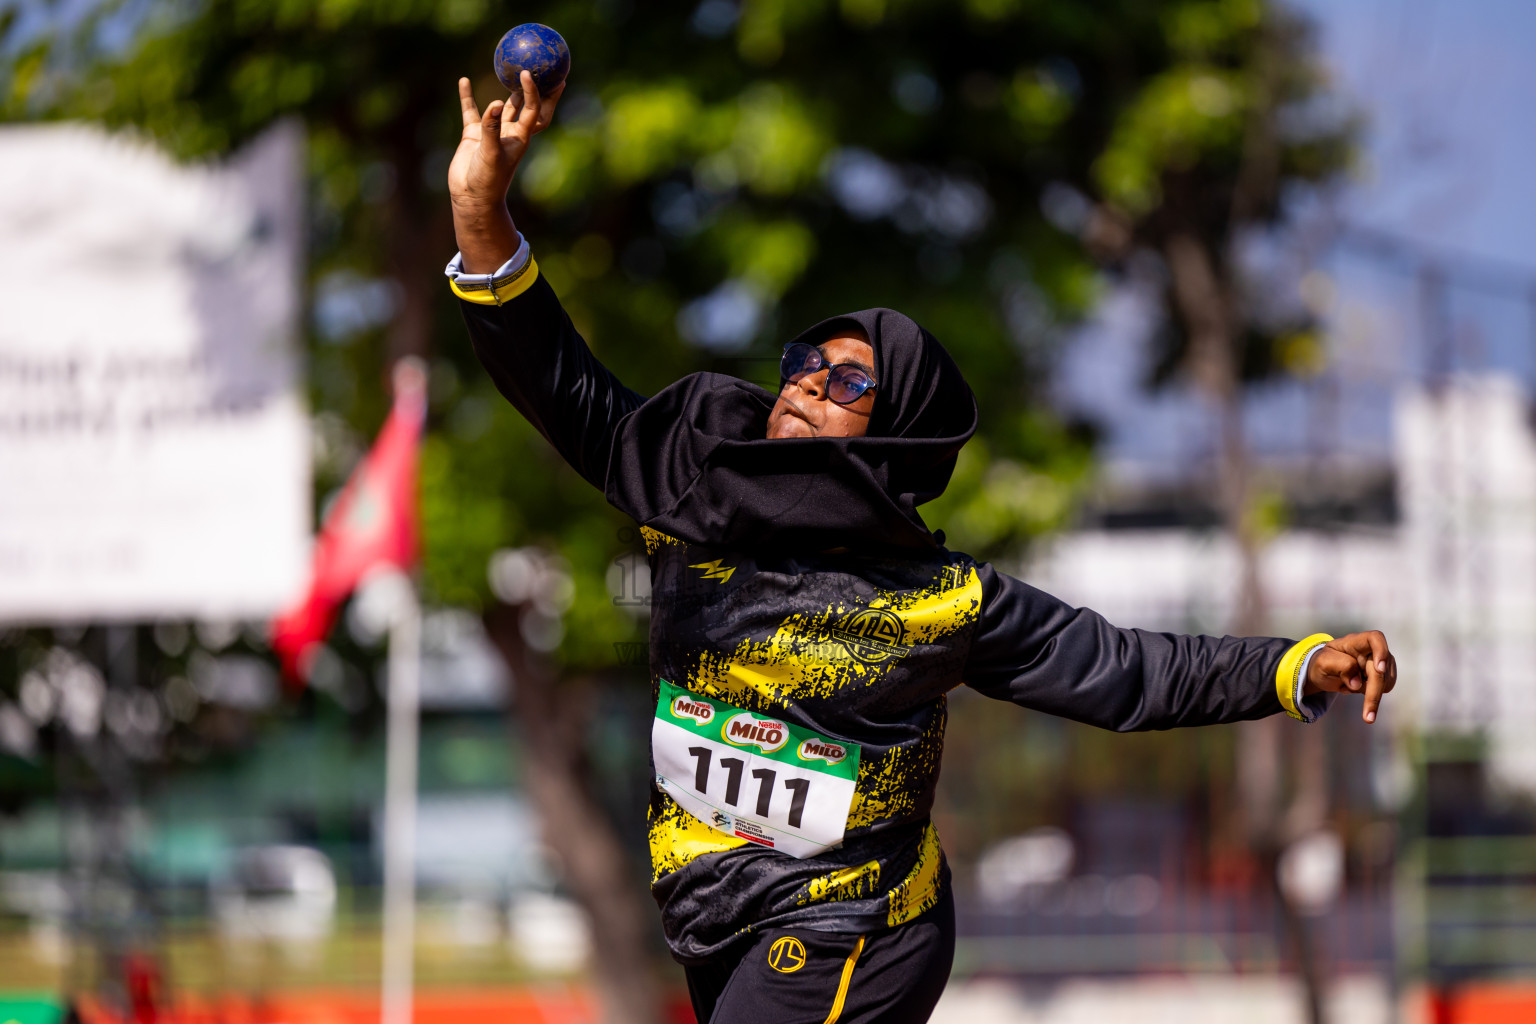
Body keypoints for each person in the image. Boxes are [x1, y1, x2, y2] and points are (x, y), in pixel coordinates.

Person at [445, 72, 1398, 1024]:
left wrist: (1298, 665)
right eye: (806, 362)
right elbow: (556, 378)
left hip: (857, 927)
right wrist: (479, 211)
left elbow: (1129, 674)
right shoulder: (690, 492)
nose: (811, 382)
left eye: (850, 383)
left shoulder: (939, 601)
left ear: (893, 437)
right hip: (715, 911)